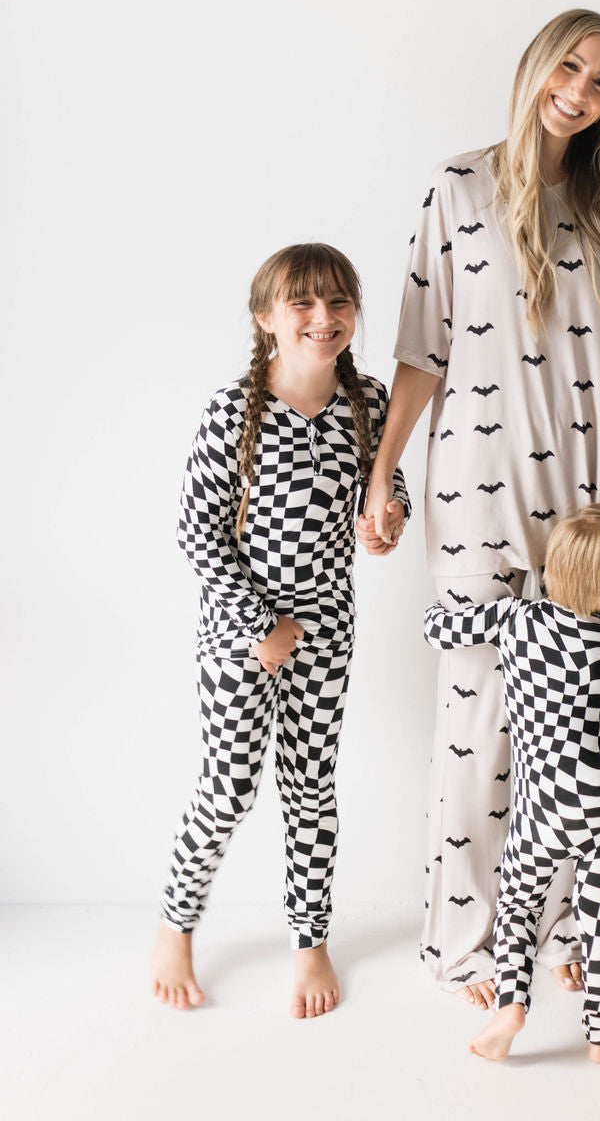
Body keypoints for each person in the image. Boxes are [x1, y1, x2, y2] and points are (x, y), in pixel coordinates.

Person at [360, 8, 600, 1008]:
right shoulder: (460, 186)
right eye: (572, 67)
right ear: (536, 67)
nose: (581, 91)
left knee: (570, 725)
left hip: (594, 489)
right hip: (477, 481)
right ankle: (464, 943)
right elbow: (418, 350)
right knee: (477, 712)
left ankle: (552, 927)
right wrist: (382, 474)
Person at [151, 244, 408, 1018]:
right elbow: (198, 534)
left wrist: (388, 524)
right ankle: (174, 924)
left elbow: (388, 498)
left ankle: (310, 939)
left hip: (328, 628)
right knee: (228, 787)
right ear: (267, 318)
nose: (322, 318)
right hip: (241, 629)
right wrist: (261, 625)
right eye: (302, 303)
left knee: (310, 787)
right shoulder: (232, 412)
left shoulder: (368, 400)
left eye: (337, 302)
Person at [424, 506, 600, 1063]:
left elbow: (437, 628)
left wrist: (452, 606)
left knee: (517, 907)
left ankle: (511, 1008)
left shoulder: (515, 620)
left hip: (540, 804)